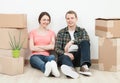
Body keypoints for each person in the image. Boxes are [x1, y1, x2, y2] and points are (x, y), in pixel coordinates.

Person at [55, 10, 92, 79]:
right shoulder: (61, 32)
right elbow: (57, 48)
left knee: (85, 42)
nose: (70, 20)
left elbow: (86, 40)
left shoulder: (82, 30)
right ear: (66, 20)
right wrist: (65, 53)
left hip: (79, 58)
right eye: (68, 18)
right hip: (66, 57)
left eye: (72, 18)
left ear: (76, 19)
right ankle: (70, 70)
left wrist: (72, 42)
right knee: (63, 57)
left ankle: (83, 67)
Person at [29, 12, 60, 77]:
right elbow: (32, 48)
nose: (46, 22)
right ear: (40, 20)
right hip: (35, 56)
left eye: (48, 20)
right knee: (34, 60)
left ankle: (49, 71)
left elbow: (52, 47)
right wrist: (46, 47)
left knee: (52, 57)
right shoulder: (32, 32)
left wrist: (38, 46)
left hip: (47, 56)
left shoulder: (51, 33)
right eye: (44, 20)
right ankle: (50, 69)